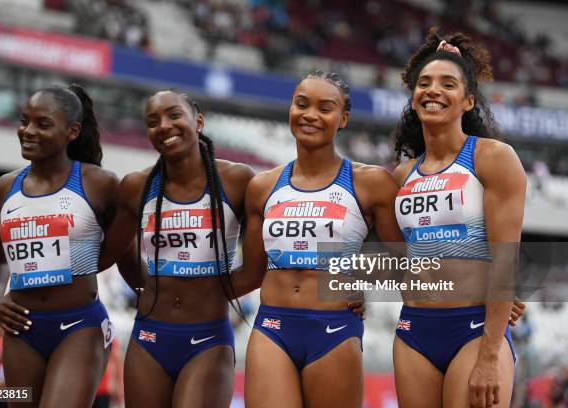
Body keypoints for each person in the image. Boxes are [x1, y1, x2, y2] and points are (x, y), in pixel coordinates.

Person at [240, 70, 403, 408]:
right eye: (301, 104)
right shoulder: (262, 186)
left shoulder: (371, 183)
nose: (310, 115)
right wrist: (176, 290)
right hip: (272, 325)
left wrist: (491, 293)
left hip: (333, 328)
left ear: (342, 118)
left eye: (324, 108)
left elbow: (407, 264)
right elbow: (249, 274)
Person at [391, 30, 526, 408]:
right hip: (413, 330)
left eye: (448, 84)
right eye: (424, 83)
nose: (433, 91)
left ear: (468, 101)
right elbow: (395, 259)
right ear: (414, 98)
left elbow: (505, 259)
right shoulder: (400, 176)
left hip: (475, 330)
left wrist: (489, 356)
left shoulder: (493, 158)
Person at [98, 89, 255, 407]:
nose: (164, 126)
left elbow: (262, 263)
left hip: (208, 338)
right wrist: (145, 287)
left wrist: (217, 290)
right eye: (152, 121)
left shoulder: (238, 180)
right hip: (149, 337)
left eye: (173, 115)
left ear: (198, 121)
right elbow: (109, 253)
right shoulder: (136, 186)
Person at [0, 84, 116, 407]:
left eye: (42, 124)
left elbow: (123, 247)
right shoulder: (2, 189)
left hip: (79, 327)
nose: (28, 131)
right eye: (24, 121)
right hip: (22, 330)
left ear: (72, 131)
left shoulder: (99, 183)